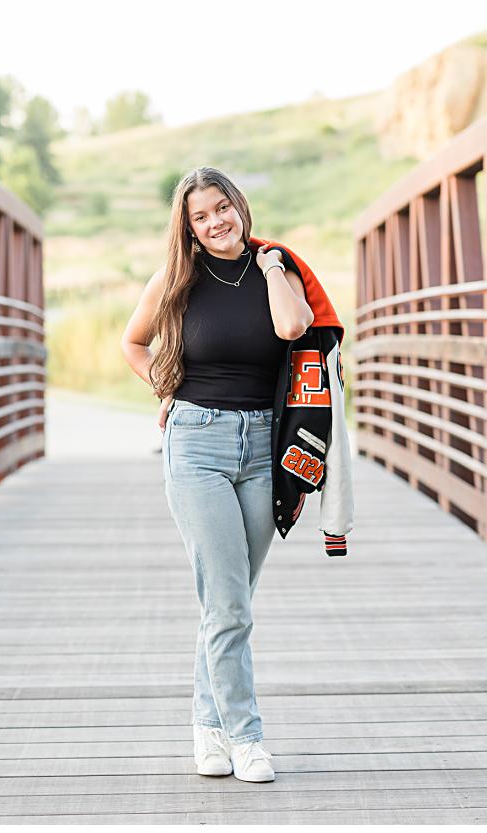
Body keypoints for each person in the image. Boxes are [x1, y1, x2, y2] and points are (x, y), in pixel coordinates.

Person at [120, 167, 351, 784]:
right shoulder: (177, 279)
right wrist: (162, 388)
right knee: (228, 602)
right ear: (188, 227)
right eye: (202, 216)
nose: (216, 222)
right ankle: (246, 736)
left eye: (223, 208)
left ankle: (207, 725)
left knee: (230, 601)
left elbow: (293, 328)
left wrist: (273, 266)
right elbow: (133, 344)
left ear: (239, 206)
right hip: (197, 444)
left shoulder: (281, 269)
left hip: (263, 451)